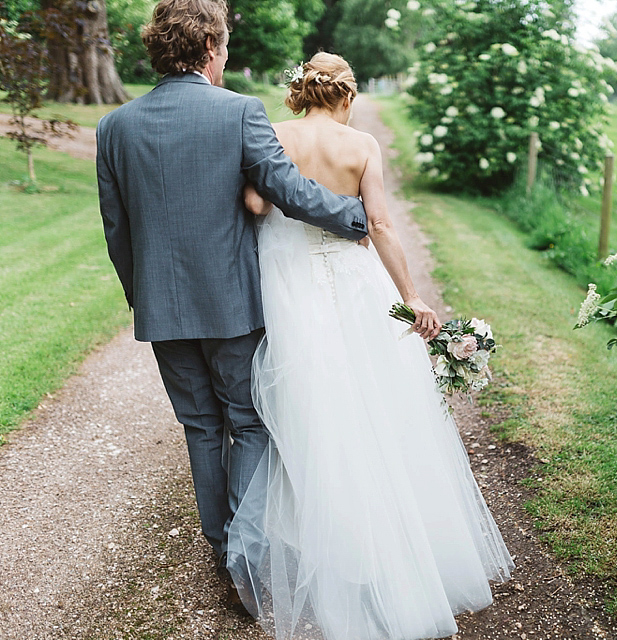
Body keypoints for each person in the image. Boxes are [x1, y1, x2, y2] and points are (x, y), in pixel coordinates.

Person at [225, 52, 514, 639]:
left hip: (288, 281)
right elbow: (379, 226)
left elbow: (255, 205)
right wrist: (412, 297)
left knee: (309, 404)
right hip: (353, 282)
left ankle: (323, 538)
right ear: (347, 97)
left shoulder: (272, 135)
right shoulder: (361, 147)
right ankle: (392, 547)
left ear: (301, 92)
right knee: (376, 400)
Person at [95, 0, 367, 611]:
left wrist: (147, 298)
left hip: (162, 310)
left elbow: (118, 232)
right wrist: (353, 215)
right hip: (234, 309)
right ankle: (244, 563)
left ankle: (224, 552)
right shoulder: (240, 111)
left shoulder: (115, 126)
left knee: (200, 429)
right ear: (212, 49)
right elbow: (288, 190)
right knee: (247, 425)